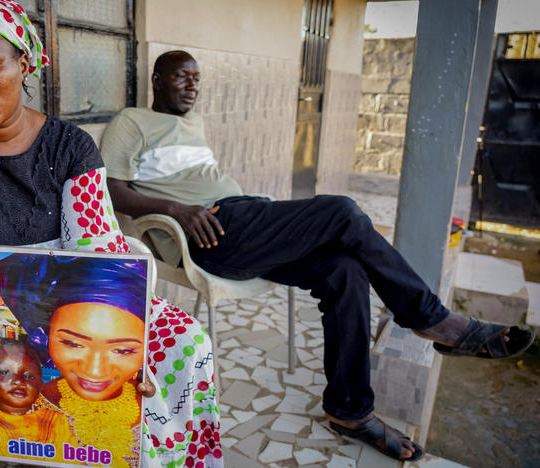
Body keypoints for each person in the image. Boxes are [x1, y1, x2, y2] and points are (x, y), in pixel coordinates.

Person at [100, 49, 536, 462]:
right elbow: (114, 189)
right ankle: (431, 319)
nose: (192, 86)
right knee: (343, 212)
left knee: (343, 271)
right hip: (211, 233)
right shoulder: (131, 122)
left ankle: (350, 410)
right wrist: (178, 210)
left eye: (197, 79)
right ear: (157, 80)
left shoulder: (193, 121)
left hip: (246, 217)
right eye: (181, 77)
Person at [0, 2, 221, 466]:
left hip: (78, 300)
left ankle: (153, 455)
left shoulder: (70, 146)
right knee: (34, 403)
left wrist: (121, 344)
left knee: (185, 344)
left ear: (24, 63)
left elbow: (94, 244)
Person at [0, 254, 148, 467]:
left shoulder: (154, 397)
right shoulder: (30, 404)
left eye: (122, 350)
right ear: (45, 335)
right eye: (73, 344)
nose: (94, 371)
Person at [0, 338, 73, 463]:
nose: (19, 381)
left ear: (40, 382)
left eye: (28, 376)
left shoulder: (58, 421)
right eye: (5, 372)